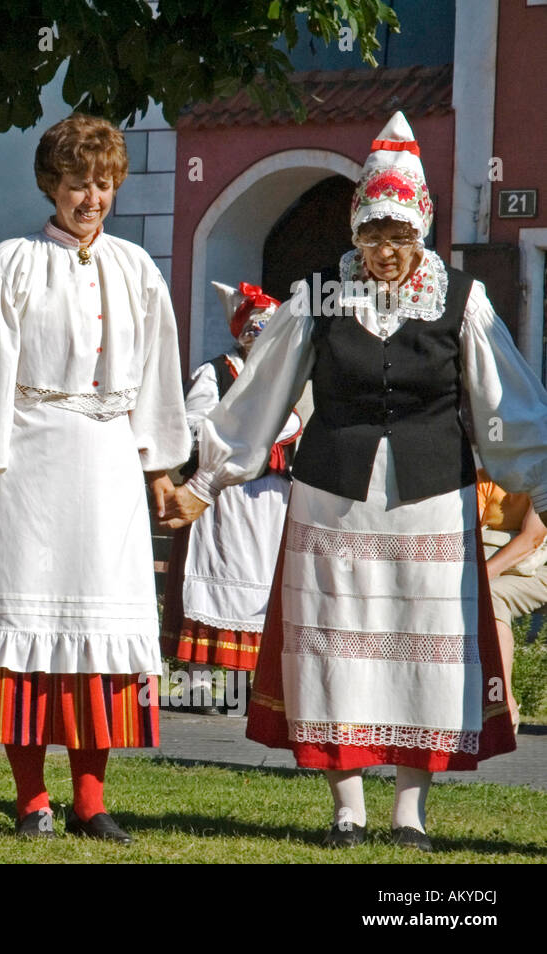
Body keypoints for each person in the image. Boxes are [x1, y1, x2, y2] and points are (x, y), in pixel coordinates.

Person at [164, 112, 536, 852]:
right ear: (356, 228)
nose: (386, 251)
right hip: (333, 502)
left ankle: (409, 814)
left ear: (421, 229)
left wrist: (546, 483)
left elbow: (508, 405)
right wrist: (206, 480)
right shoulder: (315, 298)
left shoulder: (461, 303)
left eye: (399, 235)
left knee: (422, 649)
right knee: (336, 647)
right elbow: (258, 400)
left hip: (431, 505)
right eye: (373, 234)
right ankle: (347, 809)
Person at [0, 113, 190, 842]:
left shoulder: (137, 270)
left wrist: (161, 468)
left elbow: (160, 378)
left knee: (101, 638)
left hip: (107, 469)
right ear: (52, 185)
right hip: (28, 468)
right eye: (77, 185)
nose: (91, 199)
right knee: (30, 636)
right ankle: (32, 797)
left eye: (102, 185)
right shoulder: (11, 263)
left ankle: (92, 801)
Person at [161, 281, 299, 712]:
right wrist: (231, 441)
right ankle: (196, 688)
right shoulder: (216, 372)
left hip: (270, 501)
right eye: (257, 330)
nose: (264, 340)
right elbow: (193, 425)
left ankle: (241, 692)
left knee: (257, 590)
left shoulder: (284, 381)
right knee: (212, 584)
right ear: (243, 333)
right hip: (222, 499)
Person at [478, 469, 547, 731]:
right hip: (514, 568)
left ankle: (503, 706)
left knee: (492, 595)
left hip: (540, 566)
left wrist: (480, 577)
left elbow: (532, 539)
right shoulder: (484, 477)